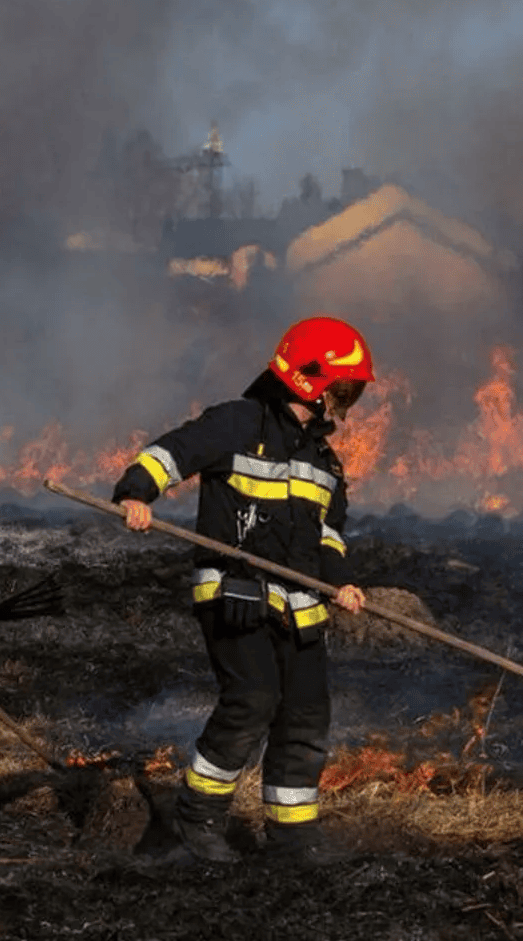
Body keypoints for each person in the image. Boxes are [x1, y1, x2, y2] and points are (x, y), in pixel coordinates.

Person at [111, 315, 374, 865]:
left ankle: (292, 837)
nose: (346, 401)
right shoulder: (236, 422)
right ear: (311, 379)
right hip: (235, 593)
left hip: (300, 608)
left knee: (305, 716)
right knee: (252, 700)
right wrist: (138, 494)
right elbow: (171, 453)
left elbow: (330, 534)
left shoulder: (325, 462)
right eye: (343, 388)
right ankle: (197, 819)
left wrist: (336, 584)